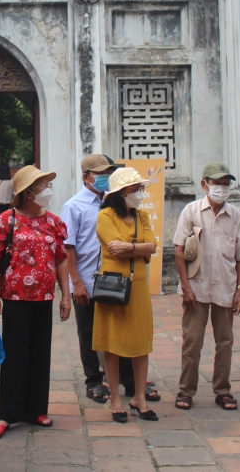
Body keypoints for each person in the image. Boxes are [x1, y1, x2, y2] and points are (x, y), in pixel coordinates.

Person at [0, 165, 73, 439]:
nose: (47, 190)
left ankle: (36, 409)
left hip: (44, 297)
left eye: (47, 184)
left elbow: (61, 259)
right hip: (15, 297)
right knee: (14, 355)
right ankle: (7, 414)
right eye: (42, 185)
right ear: (27, 192)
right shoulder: (5, 221)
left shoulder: (54, 222)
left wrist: (65, 294)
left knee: (39, 353)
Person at [62, 155, 158, 404]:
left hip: (120, 278)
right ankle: (94, 380)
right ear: (86, 177)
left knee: (121, 330)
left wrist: (131, 248)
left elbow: (147, 245)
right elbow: (68, 248)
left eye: (109, 172)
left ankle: (129, 382)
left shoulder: (122, 207)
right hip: (87, 278)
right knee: (89, 333)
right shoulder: (74, 206)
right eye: (100, 173)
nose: (104, 177)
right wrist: (76, 282)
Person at [172, 161, 240, 411]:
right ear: (205, 184)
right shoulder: (192, 211)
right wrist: (185, 287)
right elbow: (179, 250)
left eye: (226, 184)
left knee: (224, 341)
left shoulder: (235, 215)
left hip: (225, 288)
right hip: (197, 287)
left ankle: (223, 390)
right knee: (192, 341)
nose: (222, 188)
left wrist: (239, 291)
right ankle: (186, 390)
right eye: (217, 183)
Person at [92, 167, 159, 423]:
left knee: (141, 343)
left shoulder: (141, 216)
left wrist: (133, 247)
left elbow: (152, 246)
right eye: (134, 189)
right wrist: (139, 249)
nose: (139, 194)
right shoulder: (106, 215)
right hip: (114, 285)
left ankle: (139, 396)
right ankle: (115, 399)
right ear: (121, 192)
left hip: (139, 285)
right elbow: (113, 247)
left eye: (140, 189)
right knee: (112, 344)